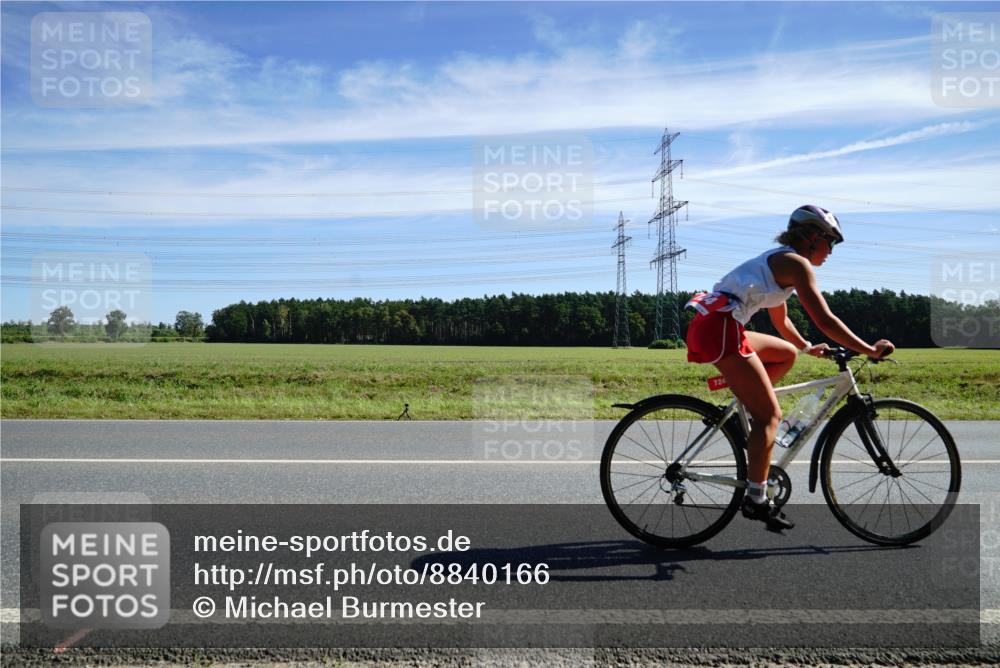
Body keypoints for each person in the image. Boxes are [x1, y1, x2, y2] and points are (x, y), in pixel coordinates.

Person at [684, 205, 894, 530]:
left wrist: (808, 349)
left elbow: (781, 322)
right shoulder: (795, 264)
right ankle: (755, 500)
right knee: (771, 416)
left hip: (720, 324)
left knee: (786, 354)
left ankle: (749, 410)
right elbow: (825, 319)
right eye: (831, 243)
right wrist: (868, 349)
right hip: (722, 328)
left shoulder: (781, 263)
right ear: (813, 237)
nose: (831, 251)